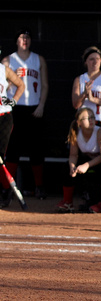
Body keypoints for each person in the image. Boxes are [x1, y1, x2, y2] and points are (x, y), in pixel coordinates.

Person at [1, 27, 49, 200]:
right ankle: (7, 189)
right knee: (12, 149)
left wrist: (42, 105)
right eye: (21, 37)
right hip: (15, 108)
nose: (25, 40)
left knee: (36, 149)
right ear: (16, 41)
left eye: (27, 37)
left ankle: (39, 187)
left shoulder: (38, 59)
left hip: (34, 107)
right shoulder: (8, 60)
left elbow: (44, 85)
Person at [56, 107, 101, 213]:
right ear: (79, 122)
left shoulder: (100, 132)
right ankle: (68, 202)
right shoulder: (76, 132)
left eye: (92, 117)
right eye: (87, 118)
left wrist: (86, 165)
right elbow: (73, 155)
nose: (91, 120)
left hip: (98, 162)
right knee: (66, 167)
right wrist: (72, 167)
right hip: (87, 161)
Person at [0, 58, 25, 208]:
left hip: (4, 117)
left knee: (1, 156)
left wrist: (13, 101)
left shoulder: (4, 70)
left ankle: (5, 190)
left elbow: (21, 84)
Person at [72, 46, 101, 130]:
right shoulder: (79, 79)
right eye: (91, 59)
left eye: (98, 58)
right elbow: (75, 104)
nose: (95, 62)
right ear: (86, 62)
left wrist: (92, 99)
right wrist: (84, 93)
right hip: (85, 123)